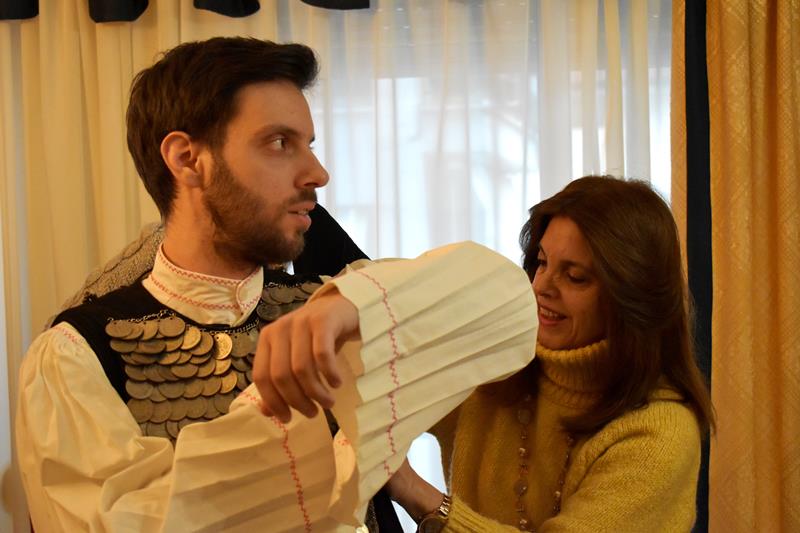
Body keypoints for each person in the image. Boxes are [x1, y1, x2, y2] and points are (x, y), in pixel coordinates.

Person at [14, 37, 539, 531]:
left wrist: (349, 306)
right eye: (280, 142)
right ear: (187, 159)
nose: (317, 173)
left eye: (308, 144)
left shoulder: (342, 304)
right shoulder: (74, 358)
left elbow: (508, 307)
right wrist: (277, 425)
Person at [376, 176, 716, 532]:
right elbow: (385, 371)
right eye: (541, 262)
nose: (541, 286)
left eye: (575, 277)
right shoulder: (498, 364)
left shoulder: (660, 434)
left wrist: (416, 493)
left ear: (631, 296)